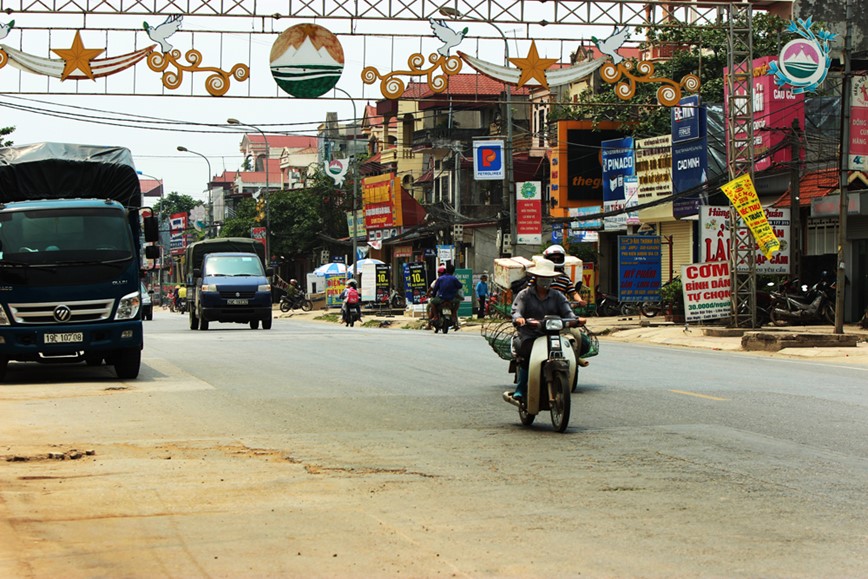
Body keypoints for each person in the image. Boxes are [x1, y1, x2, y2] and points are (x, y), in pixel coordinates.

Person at [510, 258, 586, 401]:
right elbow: (516, 310)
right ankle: (520, 388)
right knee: (527, 355)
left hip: (553, 333)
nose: (545, 281)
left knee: (564, 351)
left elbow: (567, 312)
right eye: (542, 278)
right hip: (530, 334)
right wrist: (519, 318)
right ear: (536, 278)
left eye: (548, 278)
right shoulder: (525, 294)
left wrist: (575, 319)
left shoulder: (558, 296)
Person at [529, 245, 591, 367]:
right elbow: (527, 293)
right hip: (539, 316)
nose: (556, 261)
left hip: (559, 317)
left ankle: (574, 357)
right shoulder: (536, 277)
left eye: (558, 259)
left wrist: (580, 301)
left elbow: (572, 292)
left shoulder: (564, 278)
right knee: (526, 342)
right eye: (553, 259)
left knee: (577, 336)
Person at [431, 263, 464, 330]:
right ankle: (454, 313)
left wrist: (433, 295)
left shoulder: (440, 279)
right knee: (457, 302)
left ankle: (436, 316)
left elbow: (435, 289)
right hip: (451, 299)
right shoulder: (454, 279)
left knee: (432, 303)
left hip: (441, 298)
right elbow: (460, 286)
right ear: (453, 271)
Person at [425, 265, 447, 330]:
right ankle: (455, 321)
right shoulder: (450, 279)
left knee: (431, 306)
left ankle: (434, 318)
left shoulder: (437, 281)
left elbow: (431, 289)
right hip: (450, 298)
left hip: (439, 298)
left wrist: (428, 294)